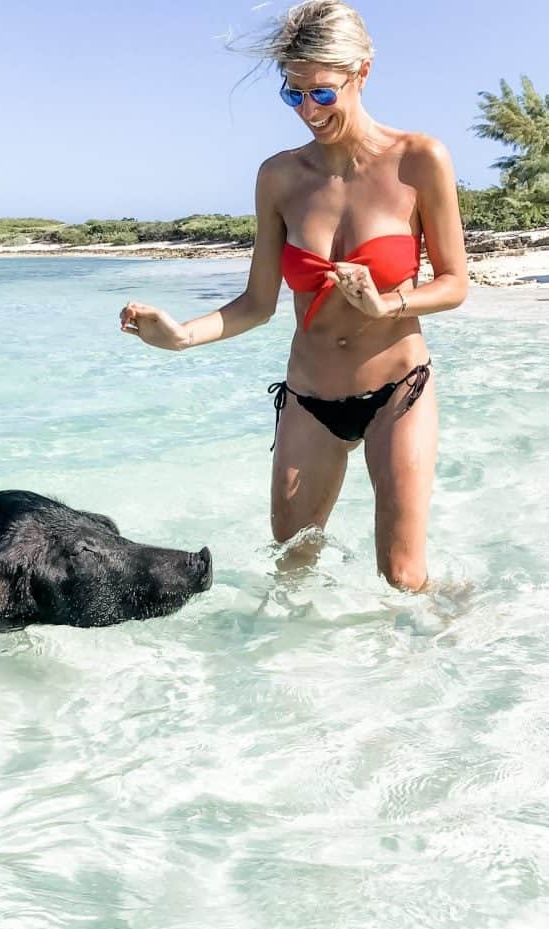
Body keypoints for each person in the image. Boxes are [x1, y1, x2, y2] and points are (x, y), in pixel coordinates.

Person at [120, 0, 468, 592]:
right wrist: (182, 336)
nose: (309, 109)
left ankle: (455, 635)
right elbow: (257, 303)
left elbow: (456, 282)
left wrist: (390, 305)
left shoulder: (419, 160)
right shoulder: (278, 176)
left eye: (323, 93)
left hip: (398, 391)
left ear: (361, 72)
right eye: (293, 94)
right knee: (292, 572)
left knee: (402, 575)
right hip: (310, 398)